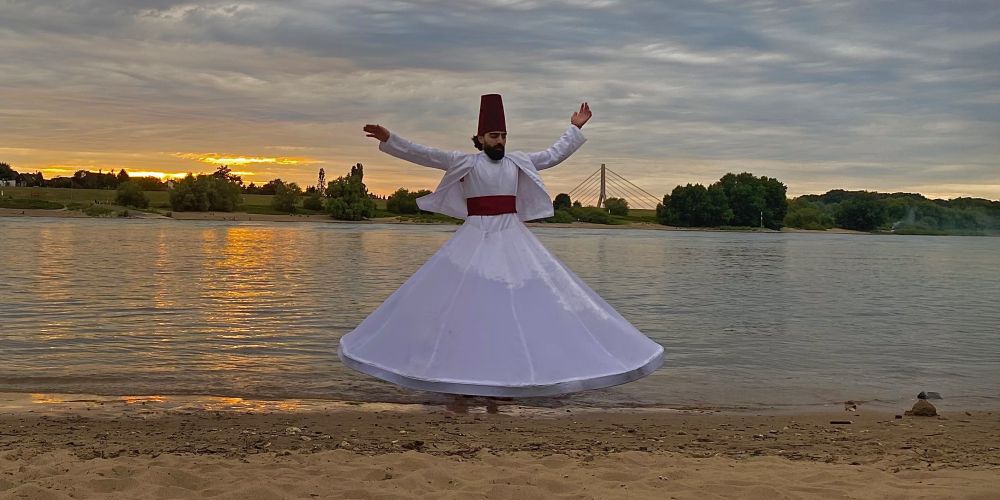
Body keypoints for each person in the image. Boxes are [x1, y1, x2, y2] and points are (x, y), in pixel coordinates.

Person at [338, 94, 663, 399]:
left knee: (522, 306)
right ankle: (455, 379)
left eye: (503, 135)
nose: (499, 142)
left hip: (513, 239)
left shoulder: (518, 161)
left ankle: (510, 380)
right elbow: (424, 153)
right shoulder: (464, 161)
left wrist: (574, 128)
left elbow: (552, 155)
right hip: (474, 239)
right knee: (460, 308)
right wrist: (389, 139)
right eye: (493, 136)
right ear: (479, 139)